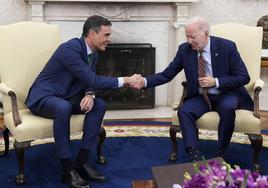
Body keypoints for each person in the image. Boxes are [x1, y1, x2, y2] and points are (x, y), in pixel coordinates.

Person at [25, 15, 140, 188]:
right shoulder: (69, 49)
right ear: (92, 34)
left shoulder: (93, 54)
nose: (109, 39)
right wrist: (127, 80)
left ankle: (81, 163)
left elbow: (88, 82)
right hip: (43, 98)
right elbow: (92, 78)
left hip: (66, 97)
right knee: (62, 107)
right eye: (106, 35)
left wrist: (90, 94)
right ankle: (67, 170)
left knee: (98, 105)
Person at [133, 16, 253, 161]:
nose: (189, 41)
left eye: (193, 37)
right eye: (187, 36)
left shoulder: (227, 47)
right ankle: (194, 153)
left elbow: (243, 77)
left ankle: (222, 151)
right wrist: (144, 81)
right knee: (184, 111)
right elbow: (167, 74)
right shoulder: (185, 50)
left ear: (206, 33)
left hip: (225, 93)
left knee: (228, 109)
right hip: (200, 96)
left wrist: (215, 81)